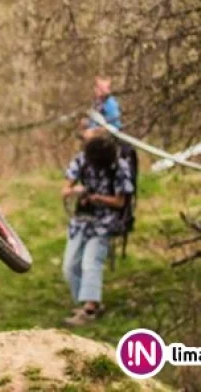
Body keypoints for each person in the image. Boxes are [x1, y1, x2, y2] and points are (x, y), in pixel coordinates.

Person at [61, 134, 134, 326]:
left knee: (91, 263)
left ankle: (90, 308)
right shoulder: (81, 160)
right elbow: (65, 190)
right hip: (81, 221)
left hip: (105, 223)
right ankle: (84, 302)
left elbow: (120, 202)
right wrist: (77, 191)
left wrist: (98, 198)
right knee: (70, 266)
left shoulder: (120, 167)